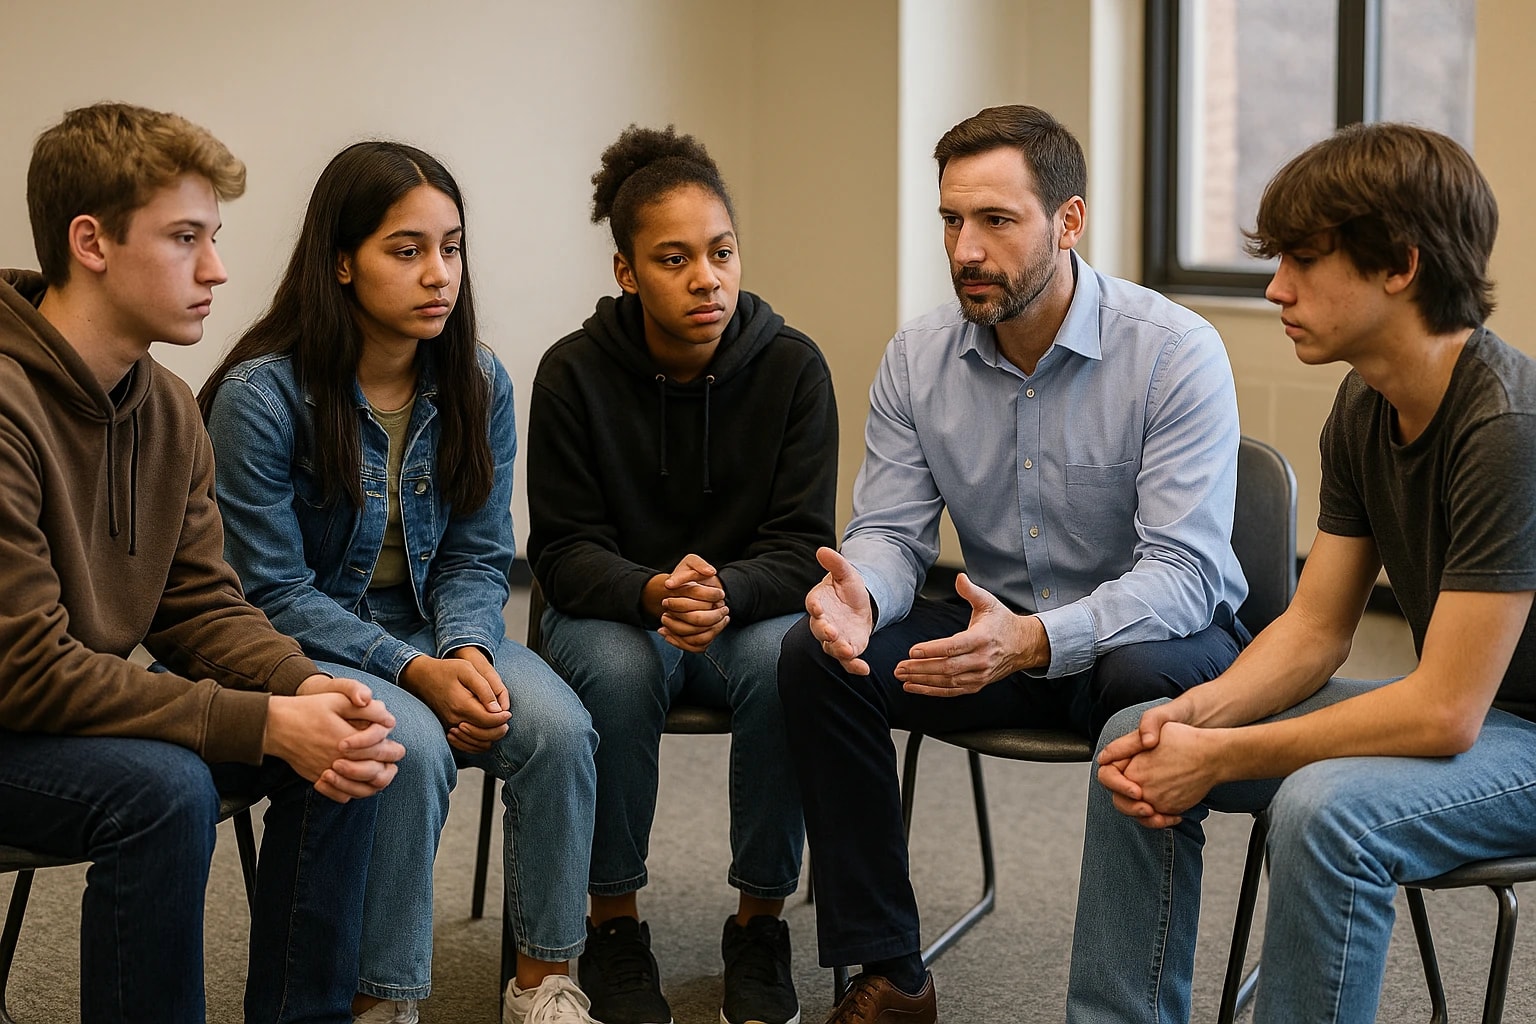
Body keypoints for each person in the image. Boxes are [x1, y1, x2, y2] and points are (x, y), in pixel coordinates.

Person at [776, 103, 1249, 1023]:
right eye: (952, 220)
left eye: (996, 221)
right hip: (991, 630)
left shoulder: (1173, 354)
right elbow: (891, 532)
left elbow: (1187, 576)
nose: (965, 249)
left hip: (1143, 637)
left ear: (1068, 223)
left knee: (1145, 685)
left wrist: (1037, 638)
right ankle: (891, 975)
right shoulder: (918, 358)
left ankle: (1124, 1007)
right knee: (816, 655)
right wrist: (862, 598)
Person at [1066, 123, 1536, 1024]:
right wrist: (1192, 716)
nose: (1276, 287)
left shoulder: (1504, 426)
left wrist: (1225, 753)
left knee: (1325, 811)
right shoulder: (1364, 402)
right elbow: (1318, 630)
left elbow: (1445, 711)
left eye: (1304, 261)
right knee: (1137, 732)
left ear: (1400, 266)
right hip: (1469, 717)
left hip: (1514, 735)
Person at [0, 102, 402, 1024]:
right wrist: (257, 721)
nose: (217, 269)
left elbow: (201, 609)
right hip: (10, 714)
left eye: (213, 237)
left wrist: (304, 691)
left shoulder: (169, 407)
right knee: (166, 789)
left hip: (62, 707)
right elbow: (23, 672)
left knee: (337, 738)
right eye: (186, 238)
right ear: (90, 242)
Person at [200, 142, 599, 1024]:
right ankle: (386, 1003)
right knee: (406, 748)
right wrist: (416, 671)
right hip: (301, 636)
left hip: (430, 622)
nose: (439, 275)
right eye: (407, 249)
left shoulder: (477, 380)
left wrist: (463, 649)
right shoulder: (261, 398)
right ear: (341, 262)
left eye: (451, 248)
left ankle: (545, 987)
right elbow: (269, 591)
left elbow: (478, 553)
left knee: (562, 730)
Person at [526, 124, 838, 1024]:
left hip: (749, 611)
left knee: (795, 662)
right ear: (626, 271)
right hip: (617, 612)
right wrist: (654, 592)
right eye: (674, 259)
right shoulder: (573, 373)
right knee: (619, 673)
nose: (707, 277)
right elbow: (563, 551)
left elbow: (801, 541)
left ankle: (761, 923)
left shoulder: (792, 369)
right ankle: (614, 924)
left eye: (722, 251)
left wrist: (723, 592)